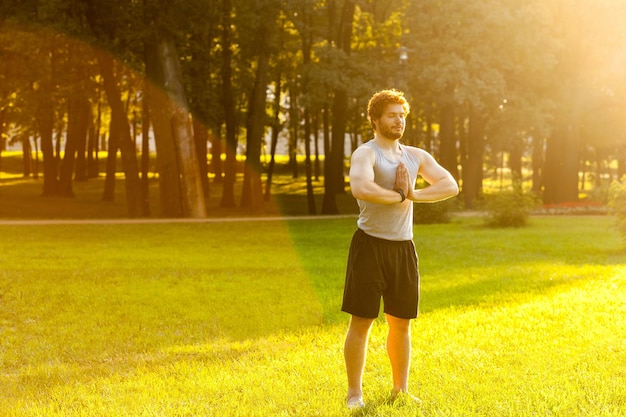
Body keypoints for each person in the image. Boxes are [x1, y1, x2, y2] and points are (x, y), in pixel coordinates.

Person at [342, 89, 458, 409]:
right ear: (375, 119)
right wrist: (398, 196)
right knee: (362, 321)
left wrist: (413, 195)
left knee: (401, 323)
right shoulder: (367, 154)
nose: (399, 120)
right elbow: (360, 187)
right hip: (369, 246)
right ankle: (355, 395)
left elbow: (449, 185)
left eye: (402, 115)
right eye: (392, 115)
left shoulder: (415, 155)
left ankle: (400, 391)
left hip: (403, 248)